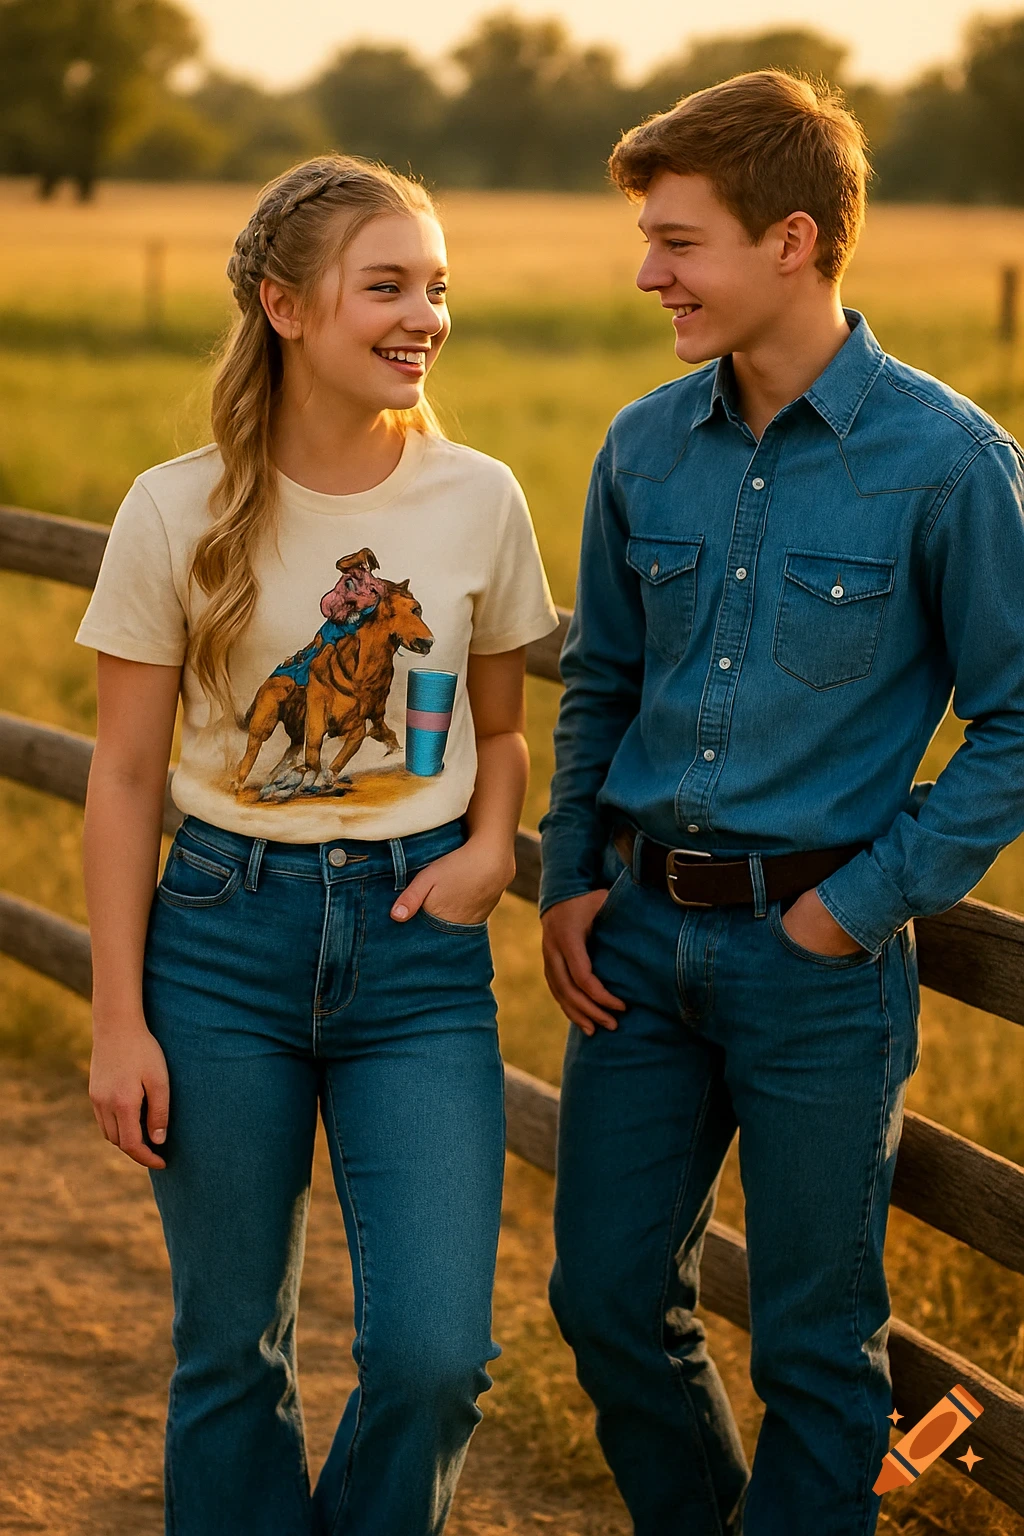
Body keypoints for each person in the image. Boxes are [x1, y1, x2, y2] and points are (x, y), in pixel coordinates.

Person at [538, 71, 1024, 1536]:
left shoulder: (950, 465)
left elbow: (1015, 720)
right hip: (631, 946)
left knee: (819, 1353)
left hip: (815, 969)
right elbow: (600, 680)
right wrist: (569, 871)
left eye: (679, 242)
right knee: (608, 1301)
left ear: (794, 241)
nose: (649, 273)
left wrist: (855, 908)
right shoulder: (642, 445)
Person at [78, 155, 558, 1536]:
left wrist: (488, 849)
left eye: (439, 287)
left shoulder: (480, 500)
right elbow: (118, 777)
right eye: (388, 286)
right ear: (286, 308)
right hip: (221, 939)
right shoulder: (177, 509)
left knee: (435, 1358)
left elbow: (501, 733)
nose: (426, 315)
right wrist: (121, 1019)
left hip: (417, 958)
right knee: (231, 1352)